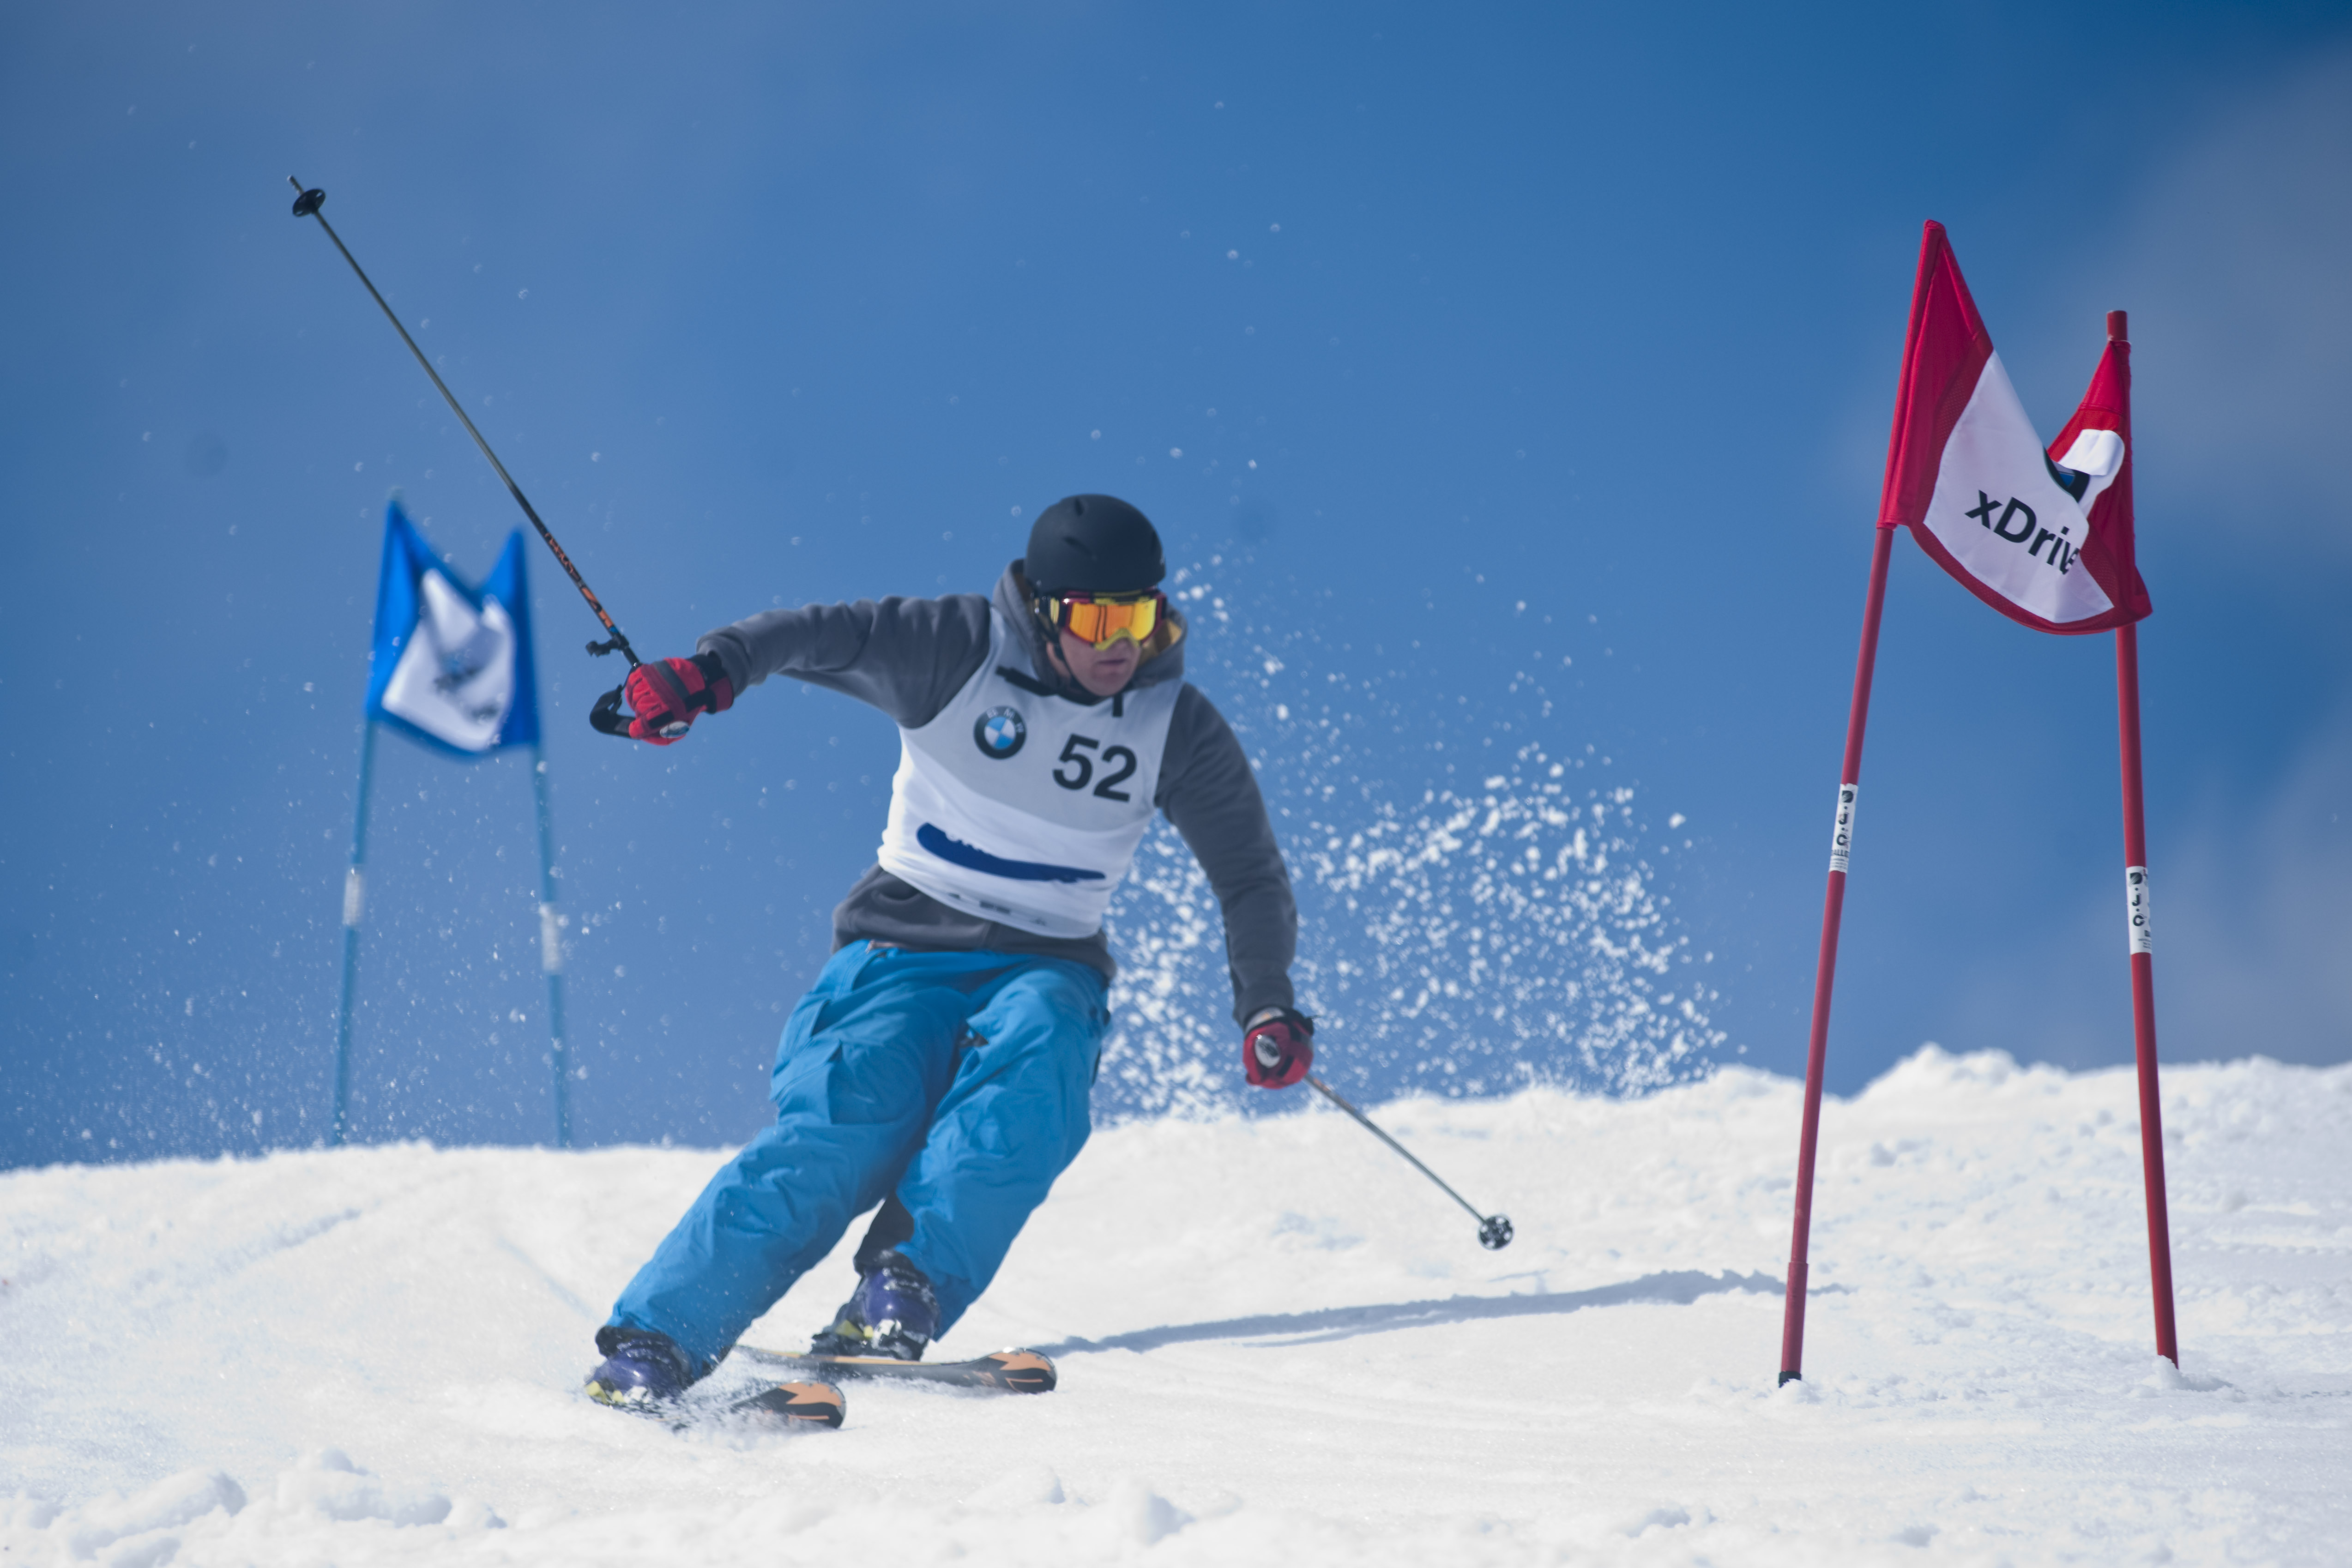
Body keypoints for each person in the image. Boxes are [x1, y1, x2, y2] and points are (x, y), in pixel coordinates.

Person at [585, 494, 1314, 1408]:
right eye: (1097, 621)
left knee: (1035, 1074)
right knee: (846, 1128)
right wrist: (710, 672)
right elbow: (822, 635)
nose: (1121, 644)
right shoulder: (958, 650)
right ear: (1044, 611)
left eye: (1139, 618)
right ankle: (657, 1339)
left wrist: (1266, 1000)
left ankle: (905, 1289)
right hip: (902, 946)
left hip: (1050, 960)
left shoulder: (1176, 726)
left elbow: (1248, 875)